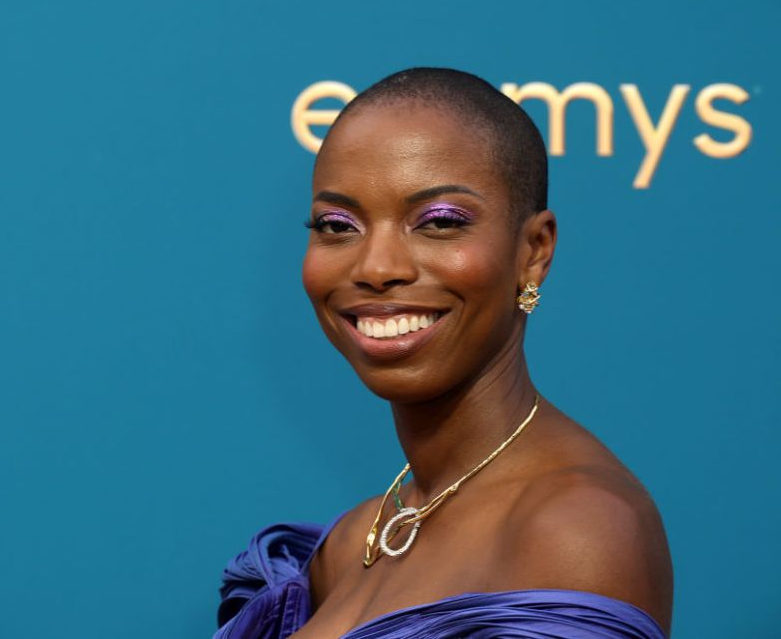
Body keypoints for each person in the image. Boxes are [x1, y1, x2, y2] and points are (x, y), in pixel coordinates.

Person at [215, 68, 673, 638]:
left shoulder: (574, 529)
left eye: (439, 222)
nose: (377, 268)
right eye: (337, 225)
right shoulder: (351, 543)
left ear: (534, 252)